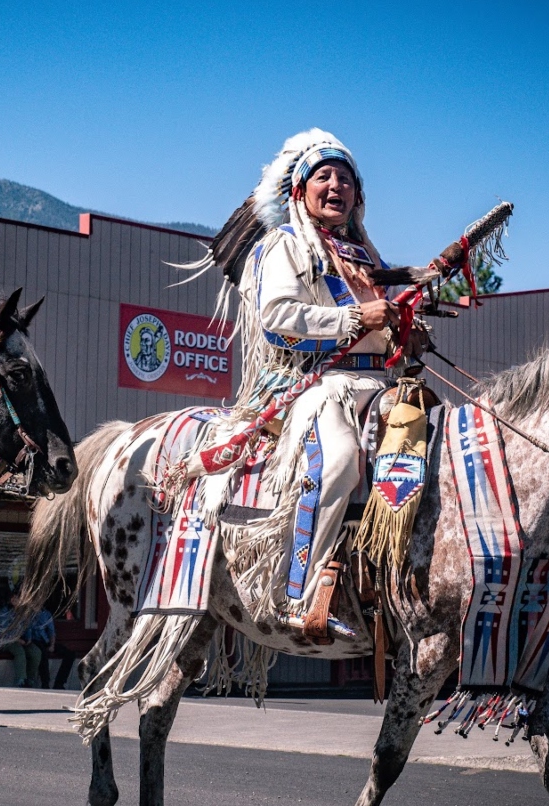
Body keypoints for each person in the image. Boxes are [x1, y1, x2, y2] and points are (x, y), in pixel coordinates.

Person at [210, 130, 403, 626]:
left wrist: (406, 329)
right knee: (338, 460)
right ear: (300, 191)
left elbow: (384, 328)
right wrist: (358, 321)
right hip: (320, 386)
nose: (336, 184)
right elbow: (276, 315)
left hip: (383, 386)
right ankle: (301, 592)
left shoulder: (368, 257)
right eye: (324, 176)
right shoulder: (287, 244)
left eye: (346, 178)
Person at [0, 592, 42, 687]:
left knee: (36, 652)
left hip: (22, 640)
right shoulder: (4, 612)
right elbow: (3, 630)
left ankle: (30, 679)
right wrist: (16, 639)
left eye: (18, 598)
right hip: (6, 641)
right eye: (15, 598)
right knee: (20, 652)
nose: (17, 600)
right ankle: (21, 680)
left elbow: (28, 626)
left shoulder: (24, 612)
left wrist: (28, 638)